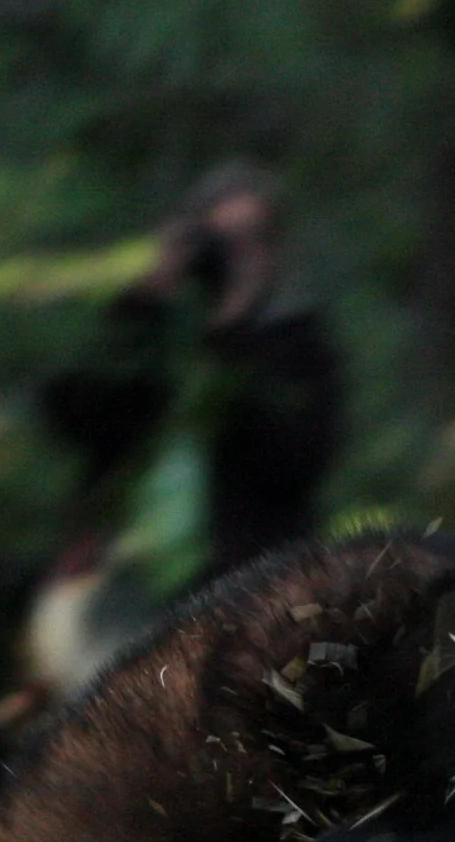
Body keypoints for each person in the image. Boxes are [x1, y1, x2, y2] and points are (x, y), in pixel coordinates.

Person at [42, 161, 346, 579]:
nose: (233, 255)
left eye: (252, 239)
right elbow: (72, 417)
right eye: (220, 239)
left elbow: (299, 463)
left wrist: (234, 333)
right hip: (125, 582)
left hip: (246, 584)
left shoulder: (298, 345)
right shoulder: (146, 335)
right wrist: (141, 302)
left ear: (275, 252)